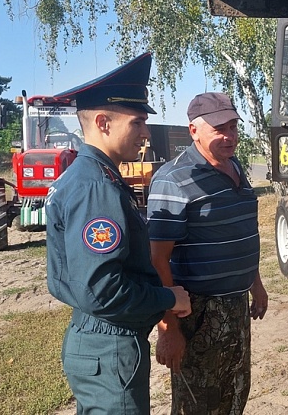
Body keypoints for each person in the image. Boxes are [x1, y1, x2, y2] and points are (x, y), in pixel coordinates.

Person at [46, 52, 192, 414]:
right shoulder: (96, 187)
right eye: (138, 122)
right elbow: (103, 290)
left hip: (99, 340)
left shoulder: (93, 177)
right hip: (108, 343)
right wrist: (167, 298)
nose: (145, 133)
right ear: (103, 123)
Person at [147, 92, 268, 415]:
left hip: (235, 307)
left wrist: (255, 284)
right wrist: (169, 329)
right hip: (197, 313)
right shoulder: (174, 180)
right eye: (219, 129)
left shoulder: (235, 167)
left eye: (232, 127)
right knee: (197, 403)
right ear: (193, 131)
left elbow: (240, 233)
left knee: (235, 392)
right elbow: (156, 260)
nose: (229, 137)